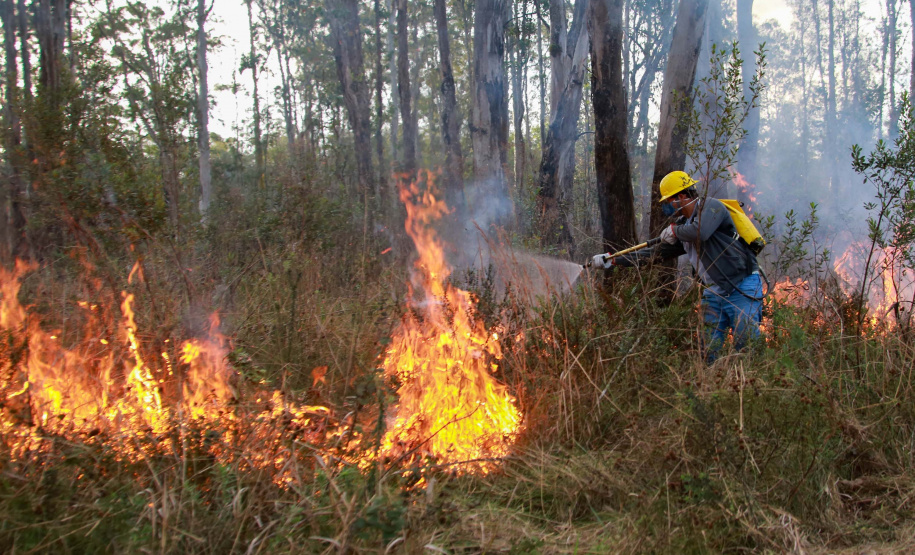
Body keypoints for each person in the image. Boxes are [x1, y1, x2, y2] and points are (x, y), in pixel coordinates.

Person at [592, 171, 763, 362]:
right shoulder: (683, 225)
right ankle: (711, 385)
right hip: (714, 292)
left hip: (741, 286)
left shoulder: (711, 206)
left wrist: (675, 230)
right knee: (707, 350)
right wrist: (614, 260)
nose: (667, 207)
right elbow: (654, 254)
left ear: (682, 197)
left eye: (669, 201)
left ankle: (751, 386)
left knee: (746, 344)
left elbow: (702, 232)